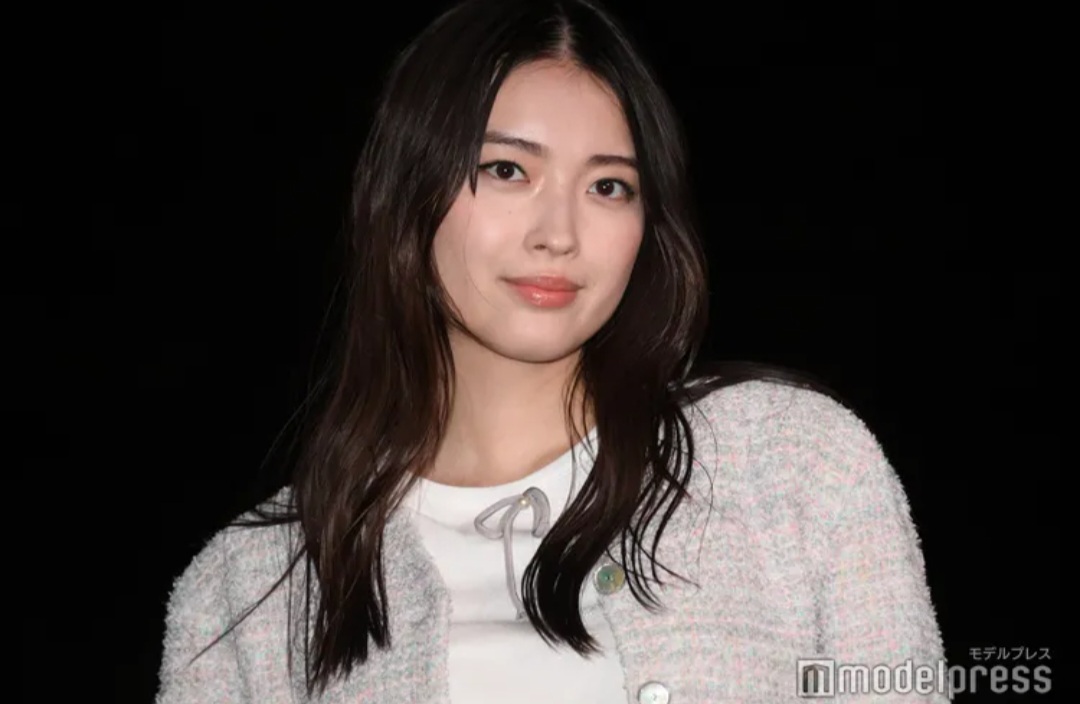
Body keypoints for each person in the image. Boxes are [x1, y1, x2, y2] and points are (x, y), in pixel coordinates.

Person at [155, 0, 949, 702]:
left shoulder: (793, 465)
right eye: (507, 170)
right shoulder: (245, 594)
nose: (559, 234)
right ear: (406, 196)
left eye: (608, 186)